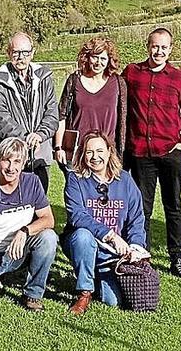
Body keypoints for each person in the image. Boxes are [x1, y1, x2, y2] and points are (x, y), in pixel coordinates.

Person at [122, 27, 181, 276]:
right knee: (142, 207)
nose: (159, 51)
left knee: (173, 205)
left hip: (169, 152)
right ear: (148, 46)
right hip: (141, 152)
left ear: (170, 49)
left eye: (164, 47)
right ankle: (142, 253)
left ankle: (177, 256)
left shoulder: (178, 78)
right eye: (155, 46)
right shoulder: (133, 74)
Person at [0, 137, 59, 312]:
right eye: (6, 160)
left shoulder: (32, 182)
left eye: (17, 161)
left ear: (23, 164)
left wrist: (25, 231)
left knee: (49, 238)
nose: (11, 167)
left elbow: (49, 219)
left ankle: (33, 294)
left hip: (18, 249)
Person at [62, 130, 147, 314]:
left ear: (109, 152)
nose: (95, 157)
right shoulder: (76, 179)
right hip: (82, 243)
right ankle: (85, 292)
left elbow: (136, 219)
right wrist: (110, 235)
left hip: (112, 254)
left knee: (112, 302)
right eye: (89, 152)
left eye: (100, 151)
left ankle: (98, 275)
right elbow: (77, 216)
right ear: (83, 155)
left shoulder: (125, 180)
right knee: (83, 236)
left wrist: (135, 247)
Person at [0, 32, 59, 192]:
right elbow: (0, 118)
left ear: (32, 52)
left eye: (25, 52)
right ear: (8, 53)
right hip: (10, 157)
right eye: (16, 52)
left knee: (38, 208)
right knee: (8, 207)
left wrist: (40, 135)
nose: (21, 57)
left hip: (40, 154)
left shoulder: (44, 77)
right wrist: (26, 137)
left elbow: (52, 113)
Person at [54, 36, 127, 171]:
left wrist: (120, 151)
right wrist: (59, 147)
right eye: (95, 57)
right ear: (87, 57)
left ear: (109, 60)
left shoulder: (118, 83)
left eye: (103, 58)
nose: (98, 62)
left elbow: (123, 120)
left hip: (106, 154)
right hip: (78, 153)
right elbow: (61, 116)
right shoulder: (74, 80)